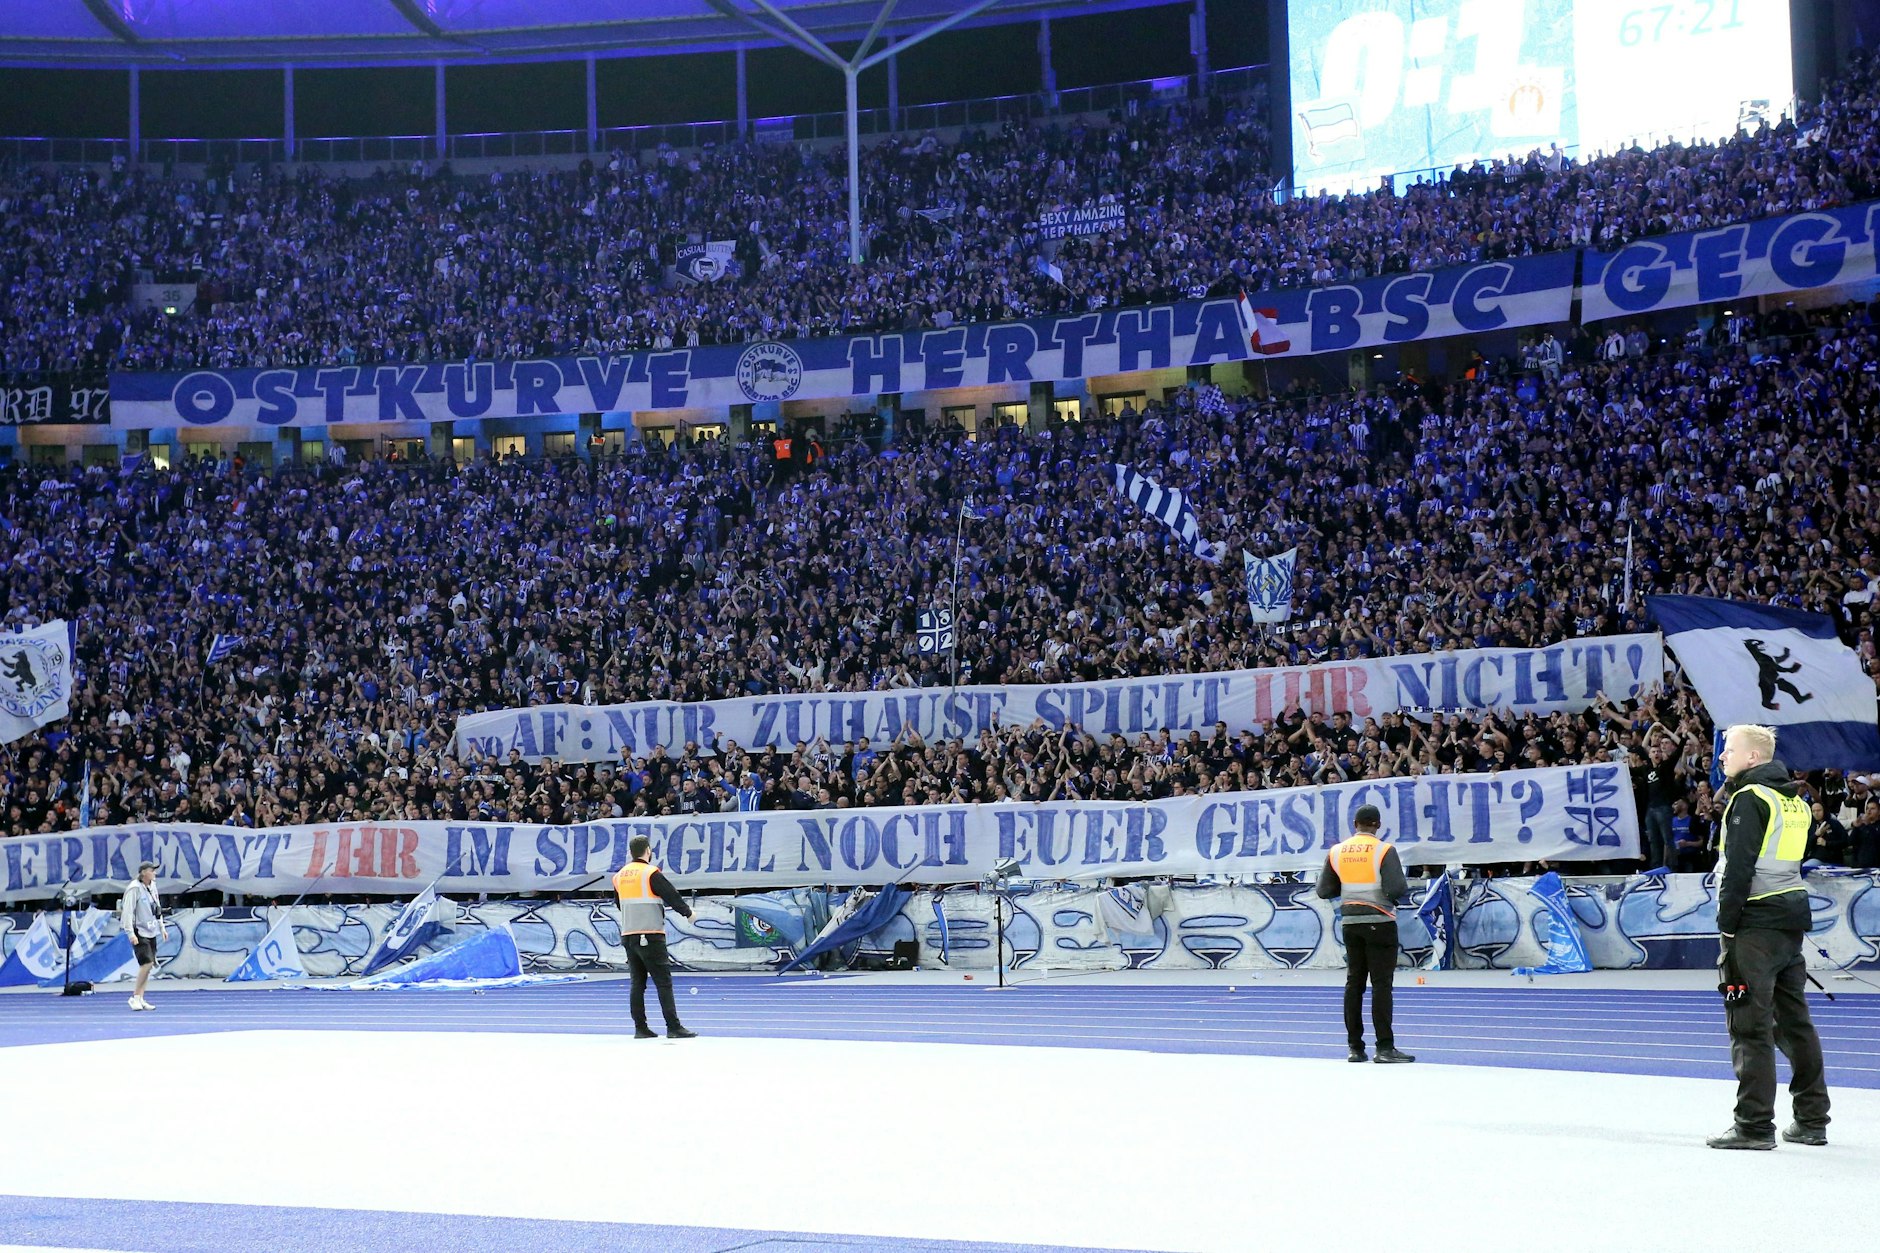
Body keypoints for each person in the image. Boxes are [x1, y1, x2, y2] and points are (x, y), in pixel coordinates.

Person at [1706, 724, 1831, 1149]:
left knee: (1749, 1025)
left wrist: (1726, 924)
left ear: (1753, 757)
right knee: (1795, 1024)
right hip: (1789, 921)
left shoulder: (1749, 798)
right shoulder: (1792, 800)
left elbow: (1738, 869)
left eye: (1729, 749)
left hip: (1753, 926)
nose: (1722, 756)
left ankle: (1754, 1126)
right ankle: (1812, 1120)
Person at [1316, 805, 1414, 1063]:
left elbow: (1324, 890)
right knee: (1381, 985)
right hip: (1380, 922)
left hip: (1350, 923)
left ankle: (1355, 1048)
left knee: (1354, 983)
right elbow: (1397, 887)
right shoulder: (1384, 850)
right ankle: (1384, 1048)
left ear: (1354, 823)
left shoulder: (1337, 851)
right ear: (1378, 825)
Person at [612, 834, 698, 1040]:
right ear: (648, 851)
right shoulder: (650, 872)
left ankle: (640, 1028)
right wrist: (688, 913)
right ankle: (673, 1027)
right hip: (650, 934)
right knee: (663, 982)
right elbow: (670, 894)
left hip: (629, 934)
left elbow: (619, 903)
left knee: (637, 984)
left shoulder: (619, 876)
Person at [117, 861, 166, 1012]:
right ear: (144, 872)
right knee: (146, 963)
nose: (155, 873)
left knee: (149, 965)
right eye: (152, 871)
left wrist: (162, 927)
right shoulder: (134, 889)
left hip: (151, 929)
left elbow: (157, 908)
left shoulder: (152, 886)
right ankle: (135, 997)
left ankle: (141, 997)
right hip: (139, 930)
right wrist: (130, 933)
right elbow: (127, 912)